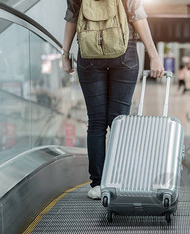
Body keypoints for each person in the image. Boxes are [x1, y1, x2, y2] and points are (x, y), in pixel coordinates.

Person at [62, 0, 164, 200]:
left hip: (89, 51)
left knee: (97, 122)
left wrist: (65, 54)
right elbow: (137, 16)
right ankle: (118, 180)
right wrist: (154, 55)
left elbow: (72, 17)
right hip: (124, 50)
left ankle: (98, 184)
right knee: (119, 122)